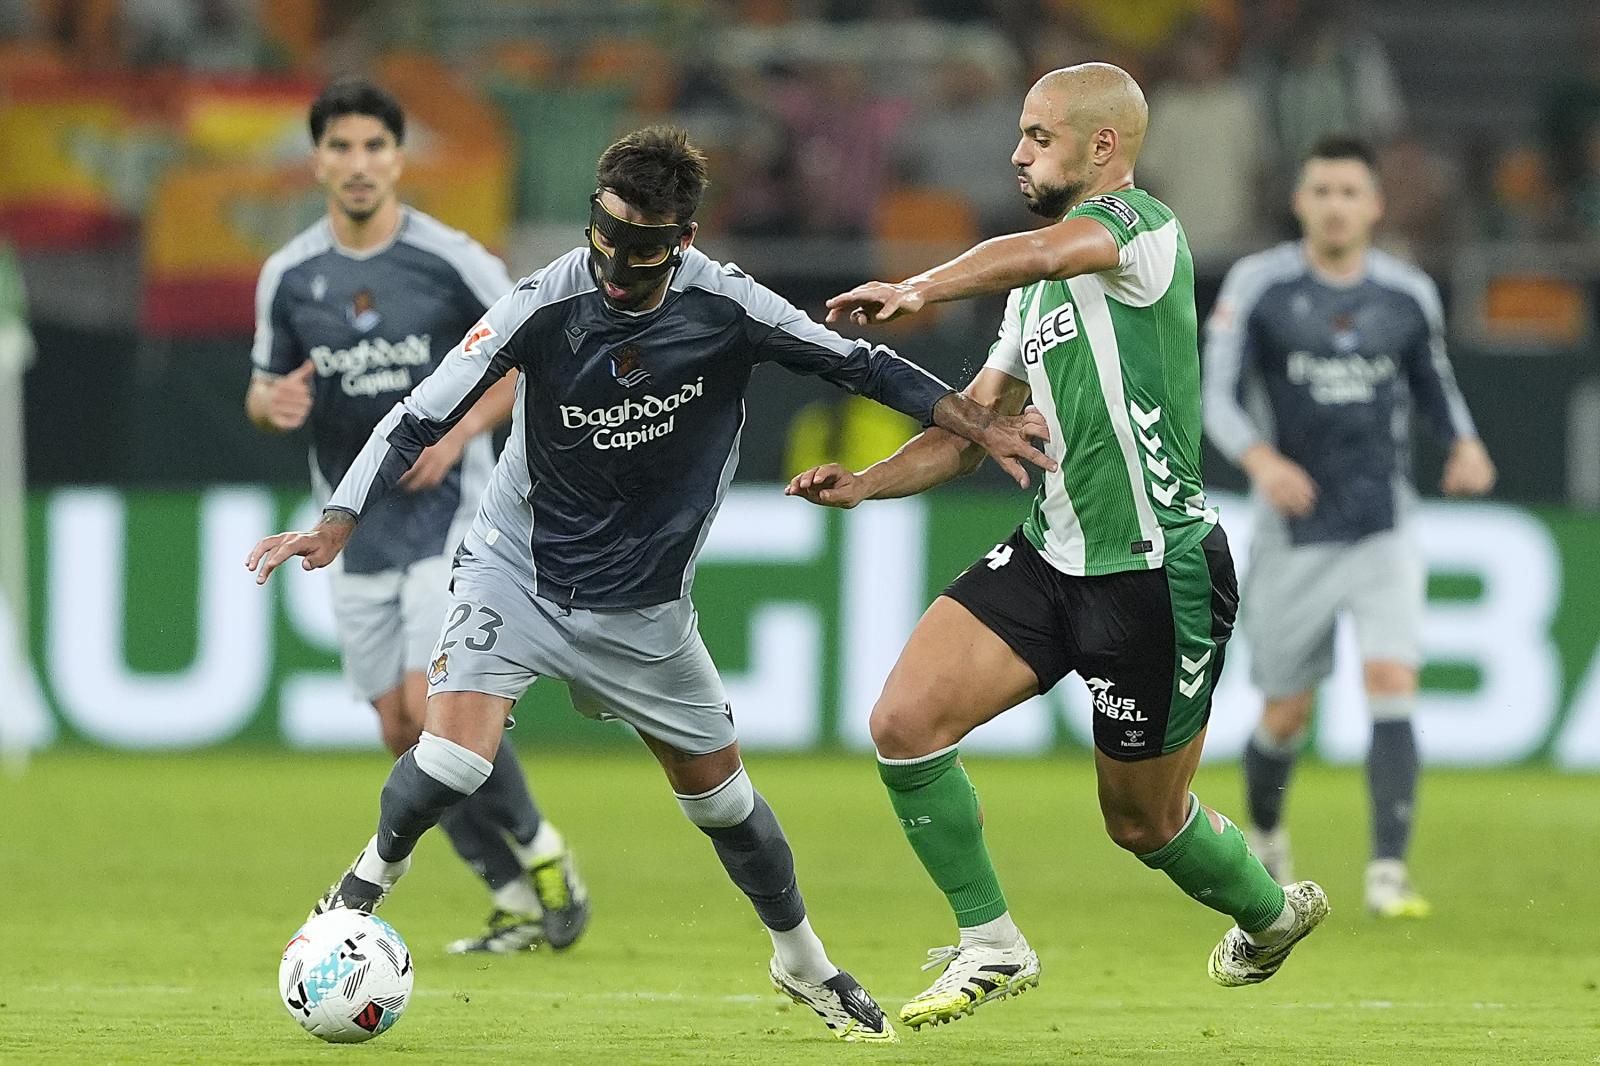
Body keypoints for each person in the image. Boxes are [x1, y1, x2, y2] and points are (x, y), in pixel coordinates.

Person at [245, 125, 1055, 1043]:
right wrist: (337, 521)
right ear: (595, 217)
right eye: (609, 235)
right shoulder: (541, 301)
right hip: (520, 569)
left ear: (687, 236)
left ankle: (803, 961)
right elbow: (421, 410)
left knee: (724, 805)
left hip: (646, 610)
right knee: (454, 757)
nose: (621, 265)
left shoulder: (729, 305)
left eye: (646, 246)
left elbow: (859, 363)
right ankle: (350, 901)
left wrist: (971, 424)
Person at [792, 62, 1328, 1031]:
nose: (1017, 151)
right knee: (903, 724)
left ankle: (1270, 914)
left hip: (1157, 574)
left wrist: (918, 285)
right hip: (1050, 555)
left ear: (1103, 147)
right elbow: (974, 427)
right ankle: (991, 940)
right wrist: (867, 485)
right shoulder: (1034, 299)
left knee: (1143, 823)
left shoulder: (1142, 233)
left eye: (1038, 135)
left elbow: (1041, 254)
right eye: (1023, 133)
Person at [246, 79, 586, 956]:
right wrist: (268, 405)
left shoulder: (452, 260)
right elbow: (263, 386)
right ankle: (512, 894)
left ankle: (546, 854)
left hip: (452, 514)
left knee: (431, 708)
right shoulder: (289, 276)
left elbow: (523, 360)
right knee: (400, 729)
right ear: (317, 159)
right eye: (341, 148)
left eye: (374, 147)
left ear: (398, 159)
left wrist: (462, 427)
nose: (358, 165)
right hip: (351, 529)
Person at [1202, 135, 1496, 917]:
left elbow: (1435, 383)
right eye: (1321, 191)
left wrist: (1463, 444)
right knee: (1285, 711)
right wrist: (1262, 461)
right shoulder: (1261, 286)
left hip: (1382, 520)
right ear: (1300, 202)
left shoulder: (1406, 293)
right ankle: (1266, 838)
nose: (1335, 204)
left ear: (1374, 205)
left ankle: (1388, 878)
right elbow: (1217, 397)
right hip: (1294, 529)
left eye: (1349, 192)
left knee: (1392, 679)